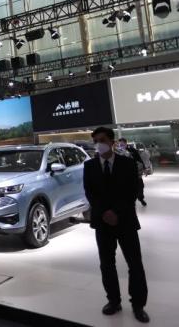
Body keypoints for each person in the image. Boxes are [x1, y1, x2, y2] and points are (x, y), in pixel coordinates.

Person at [84, 127, 149, 323]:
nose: (99, 144)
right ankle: (113, 301)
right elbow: (90, 193)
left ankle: (138, 304)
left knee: (135, 264)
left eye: (102, 140)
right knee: (107, 264)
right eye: (95, 141)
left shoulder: (127, 163)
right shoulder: (90, 166)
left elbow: (132, 190)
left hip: (125, 220)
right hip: (102, 222)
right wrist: (105, 213)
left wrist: (116, 212)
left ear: (112, 142)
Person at [117, 139, 147, 207]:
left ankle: (141, 198)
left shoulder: (132, 150)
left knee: (140, 186)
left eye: (122, 144)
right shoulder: (118, 152)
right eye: (120, 144)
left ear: (126, 143)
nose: (121, 146)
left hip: (135, 171)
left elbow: (139, 159)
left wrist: (144, 168)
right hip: (125, 173)